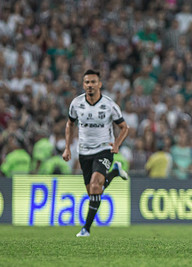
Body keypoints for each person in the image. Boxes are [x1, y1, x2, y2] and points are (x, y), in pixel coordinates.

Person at [62, 69, 129, 237]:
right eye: (87, 82)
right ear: (83, 85)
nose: (90, 85)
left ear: (99, 84)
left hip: (104, 149)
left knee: (94, 186)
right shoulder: (76, 104)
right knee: (93, 192)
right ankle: (114, 172)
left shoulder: (109, 105)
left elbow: (124, 127)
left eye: (93, 82)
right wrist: (67, 147)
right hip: (84, 152)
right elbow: (70, 124)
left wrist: (117, 145)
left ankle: (86, 229)